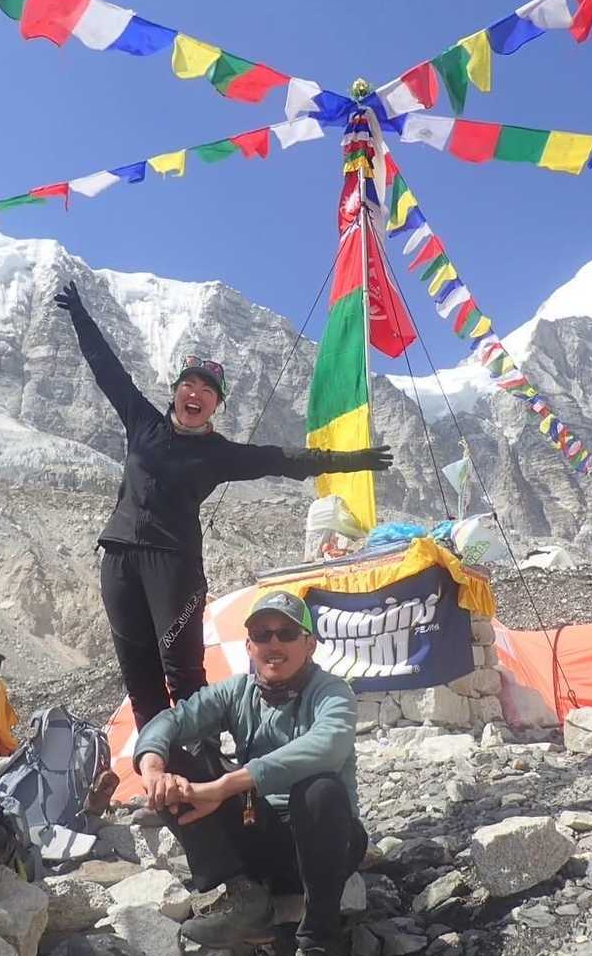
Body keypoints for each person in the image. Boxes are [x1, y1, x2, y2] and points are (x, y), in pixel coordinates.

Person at [54, 280, 392, 729]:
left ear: (217, 405)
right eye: (188, 385)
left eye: (207, 391)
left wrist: (353, 460)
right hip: (118, 559)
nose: (195, 394)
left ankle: (204, 759)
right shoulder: (142, 422)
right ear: (176, 392)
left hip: (174, 568)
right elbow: (107, 370)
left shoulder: (219, 454)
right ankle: (157, 762)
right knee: (138, 674)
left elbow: (284, 459)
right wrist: (80, 315)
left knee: (183, 672)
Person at [134, 589, 366, 956]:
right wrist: (153, 767)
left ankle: (318, 953)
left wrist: (225, 786)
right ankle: (243, 896)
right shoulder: (238, 692)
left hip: (324, 843)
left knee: (319, 789)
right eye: (262, 634)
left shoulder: (332, 692)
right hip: (262, 838)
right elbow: (172, 721)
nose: (273, 644)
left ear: (309, 644)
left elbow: (327, 747)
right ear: (249, 645)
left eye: (286, 633)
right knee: (178, 762)